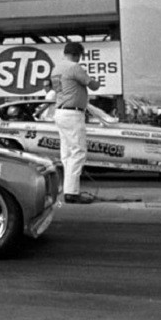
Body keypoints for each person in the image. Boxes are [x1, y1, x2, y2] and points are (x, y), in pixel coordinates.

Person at [51, 42, 100, 204]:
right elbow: (92, 85)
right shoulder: (74, 67)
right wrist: (96, 81)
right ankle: (72, 193)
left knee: (66, 154)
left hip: (60, 111)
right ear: (78, 54)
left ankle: (68, 189)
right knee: (78, 152)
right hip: (73, 113)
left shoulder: (56, 69)